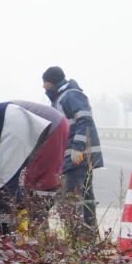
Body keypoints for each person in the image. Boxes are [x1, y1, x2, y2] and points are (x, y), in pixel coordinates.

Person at [41, 66, 105, 230]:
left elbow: (85, 121)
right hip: (76, 156)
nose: (43, 86)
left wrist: (78, 147)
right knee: (86, 196)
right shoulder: (59, 97)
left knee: (70, 197)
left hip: (77, 156)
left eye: (45, 82)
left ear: (53, 81)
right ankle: (88, 235)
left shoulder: (71, 95)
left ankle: (75, 235)